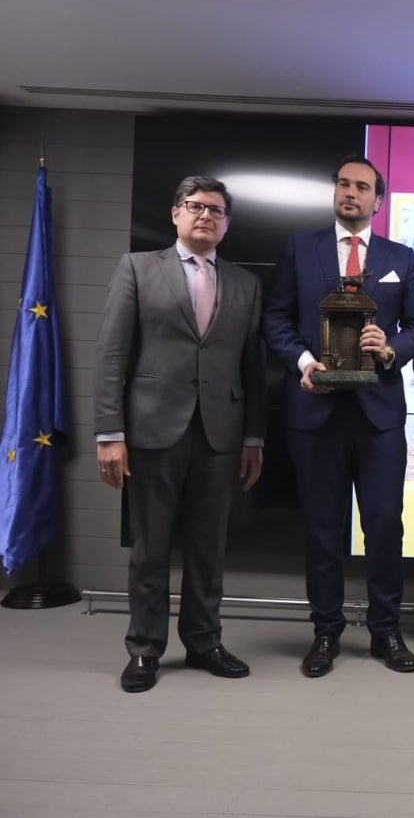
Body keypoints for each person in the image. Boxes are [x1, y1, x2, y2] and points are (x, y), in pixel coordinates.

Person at [94, 175, 266, 693]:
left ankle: (204, 642)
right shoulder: (138, 268)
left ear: (227, 222)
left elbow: (253, 369)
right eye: (194, 206)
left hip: (221, 436)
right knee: (150, 548)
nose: (205, 216)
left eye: (216, 210)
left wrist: (254, 438)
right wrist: (109, 432)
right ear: (175, 214)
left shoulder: (245, 284)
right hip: (151, 431)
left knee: (208, 546)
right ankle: (145, 649)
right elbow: (111, 355)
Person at [262, 154, 414, 677]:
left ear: (378, 201)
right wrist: (305, 361)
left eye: (361, 187)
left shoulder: (400, 257)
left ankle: (385, 631)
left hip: (378, 415)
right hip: (315, 411)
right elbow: (276, 319)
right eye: (342, 184)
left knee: (384, 526)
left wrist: (391, 347)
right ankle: (326, 632)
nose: (349, 193)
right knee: (322, 527)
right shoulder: (300, 248)